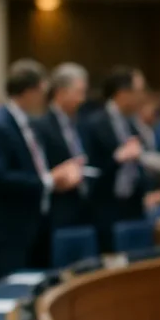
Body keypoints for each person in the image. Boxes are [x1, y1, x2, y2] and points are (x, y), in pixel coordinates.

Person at [0, 60, 83, 280]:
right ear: (28, 91)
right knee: (13, 292)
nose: (44, 98)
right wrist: (49, 180)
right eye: (41, 91)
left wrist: (58, 173)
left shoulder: (26, 121)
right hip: (8, 228)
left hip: (34, 223)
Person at [84, 67, 148, 251]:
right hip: (106, 208)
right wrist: (117, 158)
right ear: (123, 94)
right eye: (137, 92)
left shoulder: (133, 122)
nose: (141, 97)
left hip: (134, 205)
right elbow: (90, 168)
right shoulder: (94, 122)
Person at [34, 63, 92, 232]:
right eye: (78, 93)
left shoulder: (82, 123)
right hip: (57, 211)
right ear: (60, 92)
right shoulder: (40, 126)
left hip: (84, 208)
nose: (82, 99)